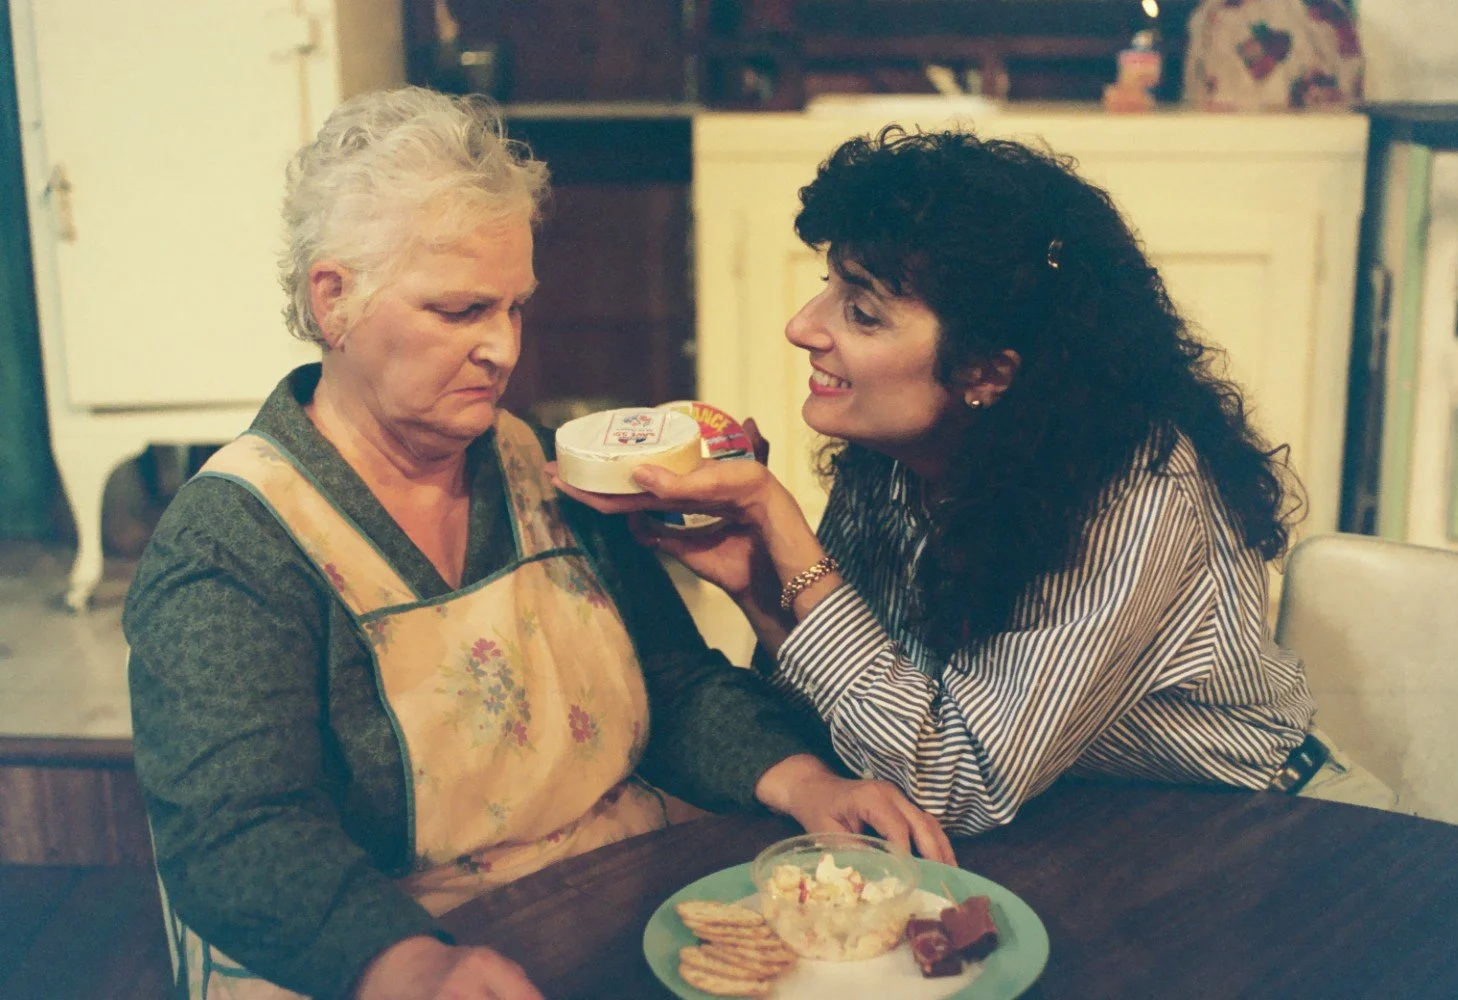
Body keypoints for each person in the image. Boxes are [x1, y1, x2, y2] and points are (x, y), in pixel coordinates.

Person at [124, 91, 952, 1000]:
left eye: (514, 308)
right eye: (460, 310)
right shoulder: (235, 541)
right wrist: (408, 963)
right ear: (335, 301)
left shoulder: (534, 460)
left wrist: (802, 784)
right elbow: (237, 831)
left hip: (614, 902)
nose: (502, 349)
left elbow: (665, 680)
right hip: (389, 952)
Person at [552, 126, 1397, 839]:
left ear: (987, 372)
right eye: (830, 285)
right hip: (1075, 825)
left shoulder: (1136, 490)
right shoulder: (896, 456)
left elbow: (961, 777)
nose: (802, 327)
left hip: (1261, 825)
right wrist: (757, 583)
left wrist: (782, 522)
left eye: (864, 310)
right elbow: (878, 714)